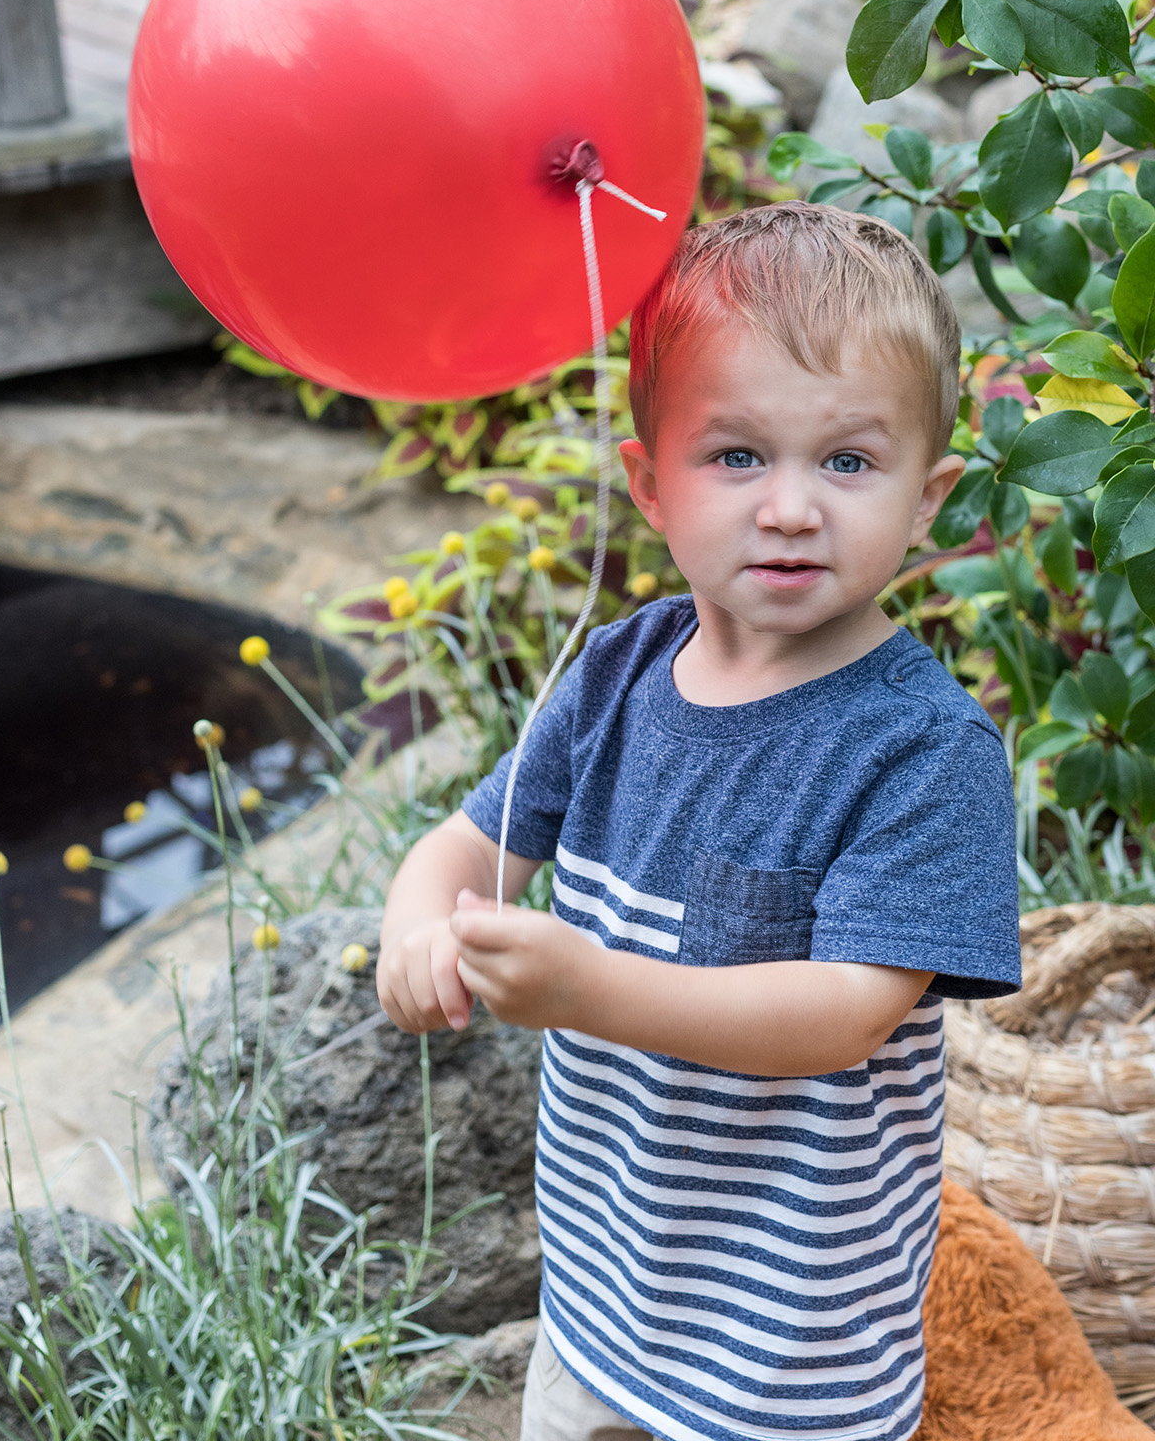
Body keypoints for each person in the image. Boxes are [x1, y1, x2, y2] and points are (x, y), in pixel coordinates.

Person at [377, 202, 1021, 1441]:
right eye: (735, 457)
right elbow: (472, 843)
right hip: (602, 1294)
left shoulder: (923, 751)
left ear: (929, 495)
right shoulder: (618, 672)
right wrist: (422, 920)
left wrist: (591, 988)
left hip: (788, 1353)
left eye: (847, 461)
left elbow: (844, 1015)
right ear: (649, 485)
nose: (789, 508)